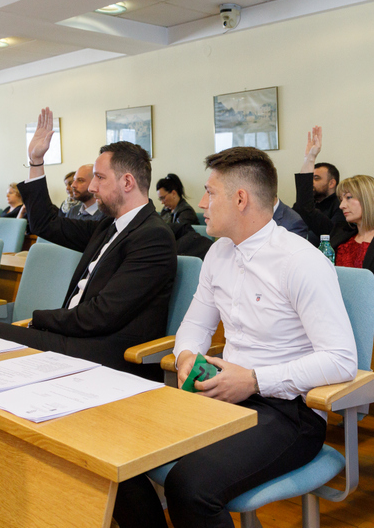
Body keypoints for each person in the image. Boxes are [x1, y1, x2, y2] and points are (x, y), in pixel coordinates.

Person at [112, 146, 357, 528]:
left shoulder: (301, 261)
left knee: (190, 487)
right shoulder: (218, 254)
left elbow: (341, 359)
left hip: (287, 412)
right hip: (222, 395)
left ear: (240, 199)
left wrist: (255, 380)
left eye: (210, 192)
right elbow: (195, 326)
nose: (202, 203)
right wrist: (186, 356)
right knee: (115, 453)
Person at [0, 108, 177, 380]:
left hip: (102, 353)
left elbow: (101, 315)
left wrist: (39, 319)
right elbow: (46, 223)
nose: (92, 187)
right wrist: (36, 161)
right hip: (72, 339)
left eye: (99, 177)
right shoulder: (109, 226)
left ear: (127, 182)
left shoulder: (152, 236)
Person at [295, 127, 374, 296]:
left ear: (369, 199)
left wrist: (336, 291)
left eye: (349, 198)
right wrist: (309, 159)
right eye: (341, 199)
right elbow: (305, 208)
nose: (342, 205)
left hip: (371, 307)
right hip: (333, 302)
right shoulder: (339, 231)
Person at [292, 135, 346, 244]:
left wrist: (310, 159)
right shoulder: (304, 204)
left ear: (331, 183)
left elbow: (331, 234)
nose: (311, 183)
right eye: (310, 178)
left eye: (316, 178)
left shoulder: (341, 206)